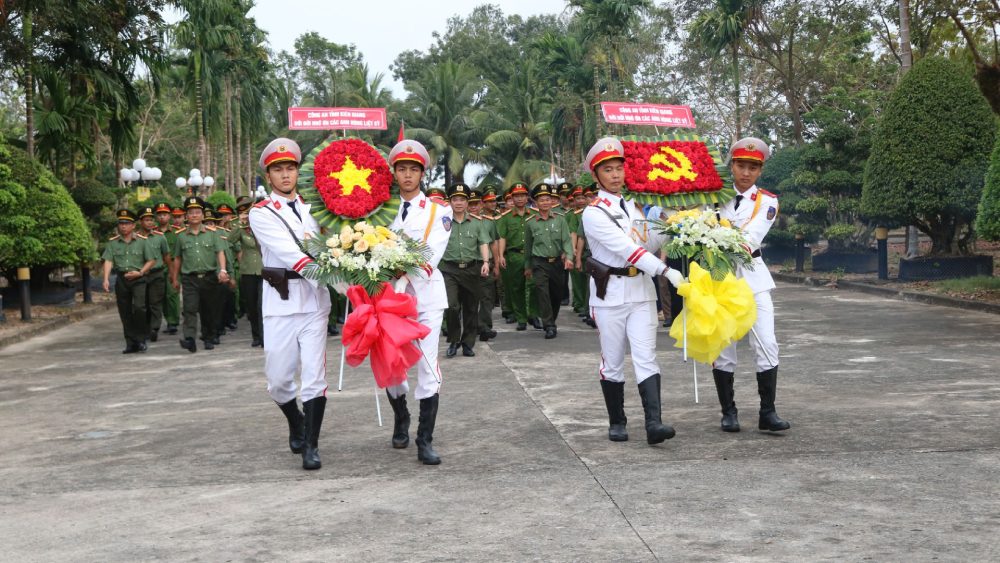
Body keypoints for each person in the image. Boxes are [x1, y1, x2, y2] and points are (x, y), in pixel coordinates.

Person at [581, 137, 685, 445]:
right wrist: (666, 271)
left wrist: (668, 225)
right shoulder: (594, 212)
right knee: (612, 360)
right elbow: (627, 250)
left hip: (641, 292)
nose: (615, 175)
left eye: (619, 168)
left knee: (646, 356)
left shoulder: (636, 206)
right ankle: (617, 421)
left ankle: (654, 423)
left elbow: (646, 244)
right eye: (608, 170)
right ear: (596, 175)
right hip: (610, 294)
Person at [249, 137, 332, 470]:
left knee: (314, 376)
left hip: (314, 303)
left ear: (298, 172)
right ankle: (295, 421)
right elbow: (291, 255)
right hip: (281, 302)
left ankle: (311, 445)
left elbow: (336, 244)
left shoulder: (319, 209)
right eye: (278, 170)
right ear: (269, 176)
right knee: (280, 381)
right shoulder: (261, 213)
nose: (285, 175)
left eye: (290, 168)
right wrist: (340, 284)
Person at [712, 137, 791, 433]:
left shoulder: (767, 201)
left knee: (767, 342)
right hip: (719, 279)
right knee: (723, 345)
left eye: (753, 168)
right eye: (741, 165)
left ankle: (767, 413)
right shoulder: (713, 196)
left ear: (760, 171)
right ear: (731, 166)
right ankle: (728, 412)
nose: (746, 173)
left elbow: (749, 239)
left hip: (752, 275)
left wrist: (712, 233)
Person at [385, 139, 453, 465]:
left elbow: (432, 253)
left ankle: (424, 439)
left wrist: (399, 267)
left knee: (427, 365)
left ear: (422, 173)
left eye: (413, 169)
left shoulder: (439, 211)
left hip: (425, 296)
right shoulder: (380, 209)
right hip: (389, 301)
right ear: (394, 172)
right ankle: (401, 416)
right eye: (402, 169)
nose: (408, 175)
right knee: (392, 365)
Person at [171, 197, 230, 353]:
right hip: (189, 278)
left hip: (209, 277)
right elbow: (177, 258)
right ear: (186, 216)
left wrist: (223, 270)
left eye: (197, 212)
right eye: (191, 213)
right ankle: (190, 339)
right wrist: (175, 278)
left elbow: (220, 252)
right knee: (189, 308)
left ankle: (209, 337)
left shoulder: (212, 233)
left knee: (208, 309)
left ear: (203, 215)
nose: (194, 215)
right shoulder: (181, 236)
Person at [440, 183, 491, 358]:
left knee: (471, 307)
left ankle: (468, 343)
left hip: (471, 269)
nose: (459, 203)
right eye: (455, 199)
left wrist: (486, 261)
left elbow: (483, 242)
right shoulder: (443, 222)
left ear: (467, 202)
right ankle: (454, 341)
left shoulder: (477, 223)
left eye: (462, 199)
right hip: (449, 269)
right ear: (450, 202)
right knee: (452, 306)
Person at [523, 182, 574, 339]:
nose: (545, 202)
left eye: (547, 199)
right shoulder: (530, 222)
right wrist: (528, 267)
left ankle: (551, 317)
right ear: (536, 203)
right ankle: (549, 325)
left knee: (556, 294)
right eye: (541, 200)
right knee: (542, 292)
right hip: (539, 263)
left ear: (552, 201)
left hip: (557, 262)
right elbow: (528, 246)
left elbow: (566, 240)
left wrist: (569, 257)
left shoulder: (560, 219)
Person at [102, 208, 157, 354]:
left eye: (127, 223)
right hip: (122, 279)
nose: (123, 226)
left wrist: (140, 272)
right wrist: (106, 278)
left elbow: (151, 260)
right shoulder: (113, 243)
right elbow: (108, 260)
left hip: (138, 279)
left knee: (139, 308)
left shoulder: (142, 242)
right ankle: (130, 342)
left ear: (133, 226)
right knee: (124, 311)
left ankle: (141, 338)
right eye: (121, 223)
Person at [497, 182, 538, 331]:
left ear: (527, 197)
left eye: (522, 195)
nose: (520, 199)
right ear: (512, 198)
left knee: (533, 286)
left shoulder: (535, 214)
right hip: (514, 256)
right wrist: (501, 255)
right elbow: (502, 237)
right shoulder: (506, 217)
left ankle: (533, 314)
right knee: (517, 287)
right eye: (516, 196)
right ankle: (521, 318)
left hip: (533, 256)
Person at [231, 196, 264, 347]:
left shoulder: (263, 225)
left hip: (265, 270)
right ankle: (256, 335)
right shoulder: (241, 229)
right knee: (251, 306)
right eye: (244, 213)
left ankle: (265, 337)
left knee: (262, 305)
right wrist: (240, 224)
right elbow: (230, 240)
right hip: (248, 271)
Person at [137, 205, 171, 343]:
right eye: (146, 220)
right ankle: (144, 328)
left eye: (151, 219)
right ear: (141, 222)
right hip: (140, 275)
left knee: (155, 302)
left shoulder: (160, 237)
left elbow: (166, 255)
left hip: (157, 274)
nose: (150, 222)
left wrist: (171, 273)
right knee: (141, 303)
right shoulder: (135, 238)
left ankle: (154, 328)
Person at [476, 186, 501, 341]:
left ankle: (484, 327)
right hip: (469, 264)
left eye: (475, 204)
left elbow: (493, 244)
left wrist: (497, 264)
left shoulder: (488, 222)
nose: (472, 207)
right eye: (469, 203)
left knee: (487, 298)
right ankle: (471, 327)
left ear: (480, 205)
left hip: (487, 263)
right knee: (469, 299)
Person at [155, 202, 180, 335]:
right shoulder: (153, 232)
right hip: (158, 269)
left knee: (172, 294)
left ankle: (173, 322)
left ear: (169, 216)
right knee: (162, 296)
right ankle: (167, 319)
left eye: (164, 214)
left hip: (174, 268)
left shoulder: (177, 232)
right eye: (159, 215)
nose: (162, 217)